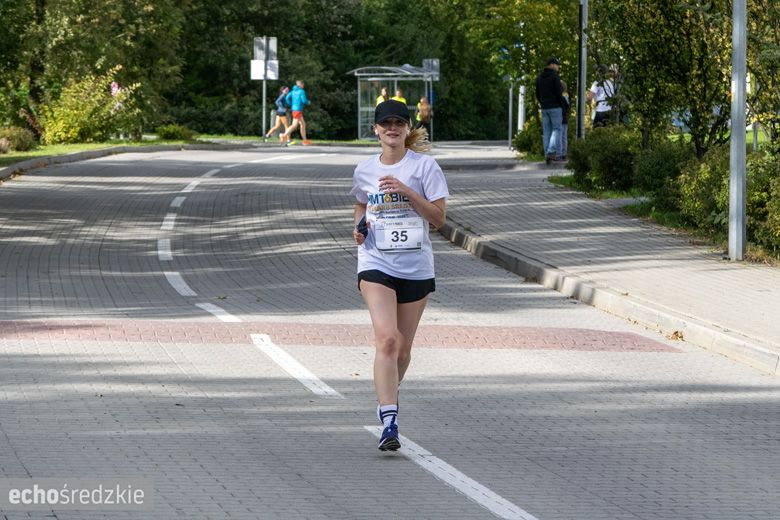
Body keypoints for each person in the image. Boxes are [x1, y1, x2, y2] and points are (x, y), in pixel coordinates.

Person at [350, 99, 448, 451]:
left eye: (398, 124)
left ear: (408, 130)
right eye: (385, 123)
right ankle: (389, 419)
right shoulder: (364, 169)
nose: (392, 129)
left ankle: (387, 389)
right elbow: (362, 202)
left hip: (416, 266)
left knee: (403, 350)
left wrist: (407, 192)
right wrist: (358, 228)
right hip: (376, 261)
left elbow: (438, 219)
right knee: (387, 340)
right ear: (375, 129)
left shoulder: (425, 167)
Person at [535, 57, 565, 164]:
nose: (558, 67)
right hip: (555, 107)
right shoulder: (554, 76)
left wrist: (543, 102)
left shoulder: (539, 77)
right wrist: (561, 105)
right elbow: (559, 92)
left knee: (546, 131)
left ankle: (546, 154)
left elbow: (537, 94)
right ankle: (550, 152)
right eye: (557, 65)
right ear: (551, 65)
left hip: (544, 108)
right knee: (557, 129)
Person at [281, 80, 311, 145]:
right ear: (300, 85)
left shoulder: (292, 91)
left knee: (303, 124)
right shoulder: (301, 91)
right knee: (294, 125)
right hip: (298, 110)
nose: (303, 86)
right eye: (303, 85)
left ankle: (305, 140)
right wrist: (308, 102)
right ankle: (284, 135)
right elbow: (304, 101)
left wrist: (291, 104)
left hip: (294, 109)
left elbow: (287, 98)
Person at [560, 80, 571, 160]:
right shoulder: (567, 96)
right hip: (565, 118)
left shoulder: (560, 97)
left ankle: (559, 153)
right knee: (564, 137)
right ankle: (564, 154)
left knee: (559, 136)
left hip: (560, 118)